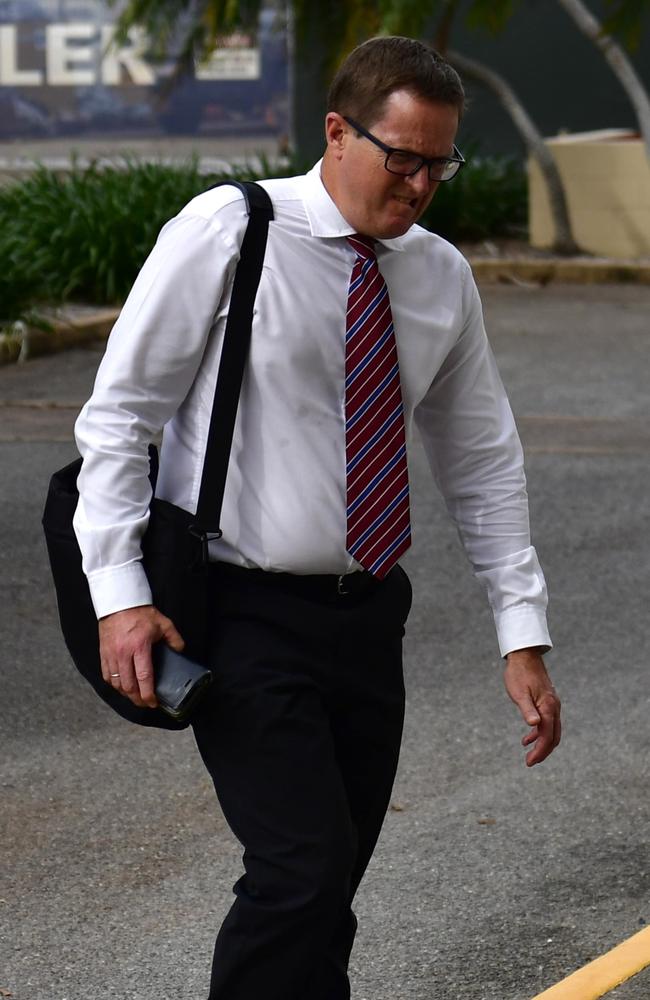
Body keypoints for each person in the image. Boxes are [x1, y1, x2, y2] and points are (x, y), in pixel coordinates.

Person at [73, 35, 561, 1000]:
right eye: (403, 157)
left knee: (327, 886)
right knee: (300, 873)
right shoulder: (231, 228)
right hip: (239, 607)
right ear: (337, 132)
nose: (422, 184)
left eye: (441, 164)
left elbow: (481, 458)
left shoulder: (437, 277)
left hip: (369, 618)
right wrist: (119, 596)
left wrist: (522, 632)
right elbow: (119, 416)